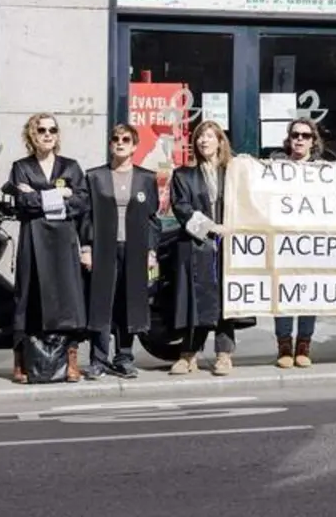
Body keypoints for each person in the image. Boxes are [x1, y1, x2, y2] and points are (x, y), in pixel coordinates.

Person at [2, 113, 90, 384]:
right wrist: (58, 194)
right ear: (32, 135)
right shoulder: (21, 167)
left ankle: (70, 360)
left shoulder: (71, 166)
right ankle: (22, 362)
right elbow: (22, 203)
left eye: (53, 129)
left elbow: (81, 203)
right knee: (28, 296)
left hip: (64, 240)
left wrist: (38, 195)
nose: (47, 134)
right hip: (34, 239)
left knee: (68, 298)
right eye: (41, 130)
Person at [80, 123, 160, 379]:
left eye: (126, 139)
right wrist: (86, 247)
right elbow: (86, 216)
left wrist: (151, 250)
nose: (120, 143)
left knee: (130, 303)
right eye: (115, 138)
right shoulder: (95, 176)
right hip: (104, 247)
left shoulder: (146, 178)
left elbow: (152, 218)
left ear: (135, 146)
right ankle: (98, 359)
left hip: (135, 248)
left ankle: (124, 357)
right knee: (101, 303)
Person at [169, 121, 238, 377]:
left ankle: (224, 354)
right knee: (194, 301)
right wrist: (211, 228)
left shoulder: (232, 173)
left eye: (209, 136)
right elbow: (182, 209)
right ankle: (188, 354)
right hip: (197, 246)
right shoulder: (183, 175)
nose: (203, 141)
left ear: (221, 141)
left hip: (229, 247)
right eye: (199, 137)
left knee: (225, 300)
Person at [272, 117, 322, 370]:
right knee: (283, 293)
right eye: (295, 135)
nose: (300, 139)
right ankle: (283, 344)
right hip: (283, 240)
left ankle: (303, 344)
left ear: (313, 140)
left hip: (312, 241)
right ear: (289, 139)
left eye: (305, 135)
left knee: (307, 293)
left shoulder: (324, 169)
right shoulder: (276, 166)